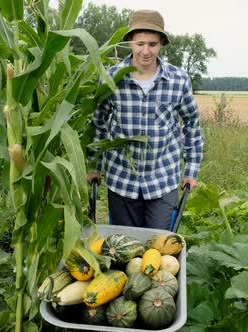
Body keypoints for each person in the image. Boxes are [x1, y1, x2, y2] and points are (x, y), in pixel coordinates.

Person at [87, 9, 204, 230]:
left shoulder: (178, 81)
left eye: (152, 44)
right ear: (130, 42)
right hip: (121, 178)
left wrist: (191, 169)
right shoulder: (112, 77)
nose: (146, 51)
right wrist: (94, 165)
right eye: (140, 43)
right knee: (124, 247)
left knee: (158, 246)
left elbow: (191, 124)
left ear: (161, 44)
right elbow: (98, 123)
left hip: (162, 177)